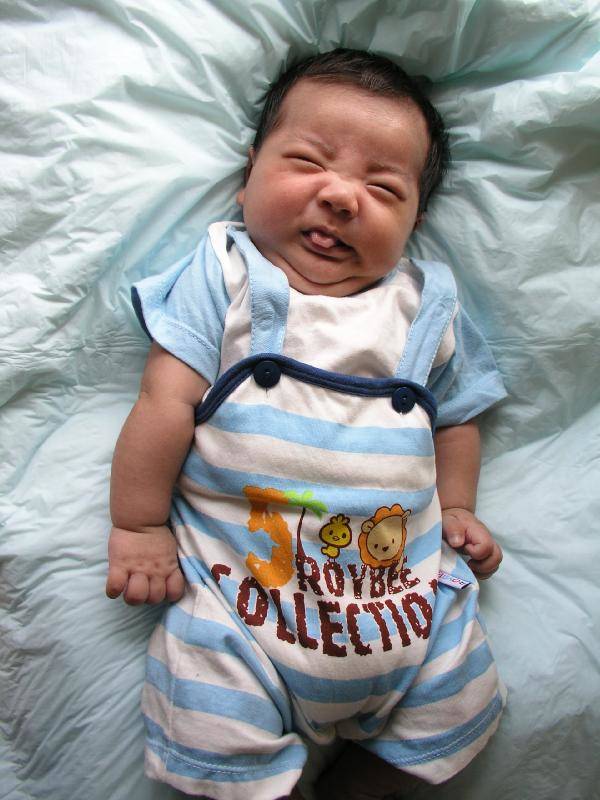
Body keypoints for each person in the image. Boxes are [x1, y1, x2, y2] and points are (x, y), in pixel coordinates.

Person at [106, 48, 506, 800]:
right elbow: (163, 403)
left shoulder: (427, 308)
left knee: (460, 703)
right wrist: (139, 526)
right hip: (243, 617)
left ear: (416, 221)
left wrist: (457, 507)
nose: (342, 196)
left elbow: (456, 418)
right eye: (308, 162)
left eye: (383, 188)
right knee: (211, 731)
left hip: (405, 611)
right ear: (247, 175)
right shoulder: (225, 275)